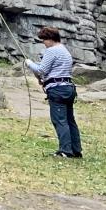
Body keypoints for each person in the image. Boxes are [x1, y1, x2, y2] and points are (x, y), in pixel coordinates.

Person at [25, 26, 81, 159]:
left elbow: (41, 70)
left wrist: (29, 63)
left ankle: (65, 151)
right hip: (68, 88)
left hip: (57, 90)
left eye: (44, 40)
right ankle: (76, 150)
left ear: (50, 39)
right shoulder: (64, 50)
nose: (44, 43)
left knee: (60, 120)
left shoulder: (51, 51)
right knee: (70, 120)